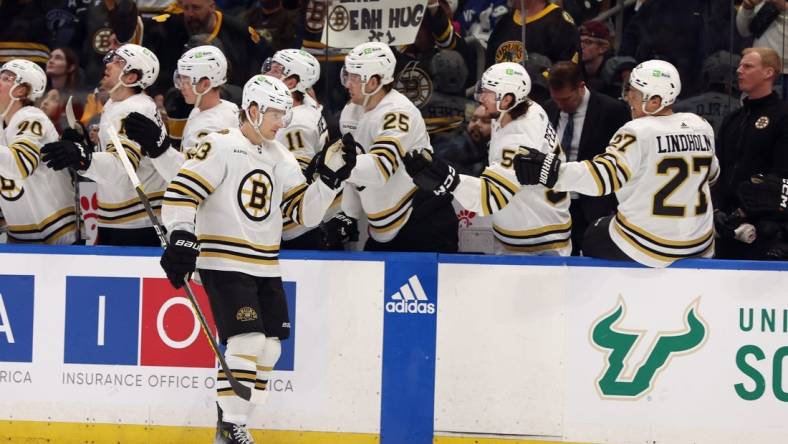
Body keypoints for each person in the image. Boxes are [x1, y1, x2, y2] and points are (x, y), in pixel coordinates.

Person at [159, 74, 353, 443]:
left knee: (271, 347)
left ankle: (235, 423)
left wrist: (329, 180)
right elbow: (182, 192)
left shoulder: (280, 156)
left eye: (284, 115)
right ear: (252, 109)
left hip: (265, 262)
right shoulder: (218, 145)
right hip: (223, 260)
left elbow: (302, 214)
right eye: (276, 114)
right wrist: (182, 235)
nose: (282, 122)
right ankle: (231, 427)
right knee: (246, 341)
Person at [513, 59, 719, 268]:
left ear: (655, 101)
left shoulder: (638, 130)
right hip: (699, 245)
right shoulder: (700, 126)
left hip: (648, 246)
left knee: (593, 235)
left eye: (635, 93)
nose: (629, 97)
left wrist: (551, 171)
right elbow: (712, 176)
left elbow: (602, 178)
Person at [405, 62, 572, 255]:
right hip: (528, 227)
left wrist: (449, 179)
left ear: (507, 99)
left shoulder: (519, 139)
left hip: (538, 243)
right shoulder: (522, 108)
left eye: (488, 92)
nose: (481, 97)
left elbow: (492, 198)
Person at [329, 42, 459, 252]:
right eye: (348, 75)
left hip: (424, 223)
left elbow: (380, 169)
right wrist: (348, 214)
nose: (347, 84)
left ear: (374, 82)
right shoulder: (351, 112)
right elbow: (353, 172)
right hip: (384, 229)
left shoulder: (398, 113)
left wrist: (332, 164)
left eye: (355, 77)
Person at [41, 43, 168, 246]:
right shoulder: (116, 104)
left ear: (131, 77)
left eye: (118, 62)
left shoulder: (134, 109)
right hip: (120, 217)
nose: (108, 65)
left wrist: (82, 156)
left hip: (137, 224)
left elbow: (122, 167)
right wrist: (84, 144)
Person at [545, 61, 630, 255]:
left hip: (595, 204)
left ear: (581, 88)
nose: (560, 105)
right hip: (556, 202)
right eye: (556, 99)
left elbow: (622, 160)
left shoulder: (612, 110)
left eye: (566, 99)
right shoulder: (548, 109)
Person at [122, 45, 239, 184]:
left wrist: (159, 147)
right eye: (180, 79)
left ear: (205, 84)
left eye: (186, 80)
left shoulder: (211, 127)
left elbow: (191, 178)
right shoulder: (223, 107)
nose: (181, 86)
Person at [714, 47, 788, 260]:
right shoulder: (732, 119)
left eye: (747, 66)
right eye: (739, 65)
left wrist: (747, 211)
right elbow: (719, 169)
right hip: (727, 227)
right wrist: (718, 210)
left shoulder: (782, 116)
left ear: (768, 73)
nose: (739, 70)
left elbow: (782, 173)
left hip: (766, 230)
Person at [107, 0, 269, 98]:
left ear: (212, 6)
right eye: (186, 8)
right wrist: (122, 25)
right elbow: (137, 29)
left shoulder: (239, 33)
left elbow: (263, 65)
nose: (190, 13)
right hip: (177, 103)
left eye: (196, 8)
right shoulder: (170, 25)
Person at [0, 59, 77, 244]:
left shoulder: (31, 117)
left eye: (5, 78)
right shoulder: (4, 122)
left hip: (54, 233)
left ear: (20, 90)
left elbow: (20, 166)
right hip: (20, 234)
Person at [261, 48, 331, 250]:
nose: (267, 74)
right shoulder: (306, 103)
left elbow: (298, 180)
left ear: (291, 83)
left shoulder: (296, 123)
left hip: (296, 228)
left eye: (276, 70)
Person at [485, 0, 581, 68]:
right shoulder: (505, 21)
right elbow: (489, 66)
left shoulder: (560, 22)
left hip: (542, 94)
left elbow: (568, 74)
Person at [736, 0, 788, 97]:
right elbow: (744, 31)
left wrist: (785, 7)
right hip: (762, 67)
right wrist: (747, 8)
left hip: (784, 69)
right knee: (758, 110)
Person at [431, 104, 492, 177]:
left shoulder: (485, 148)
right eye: (474, 119)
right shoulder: (454, 147)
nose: (477, 124)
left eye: (486, 121)